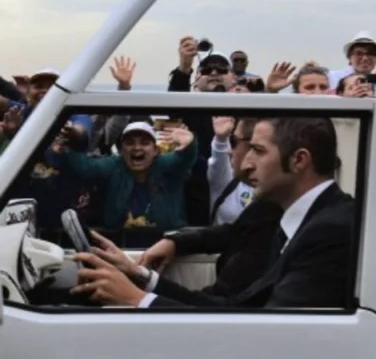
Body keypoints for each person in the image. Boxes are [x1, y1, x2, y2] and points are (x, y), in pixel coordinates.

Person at [72, 117, 354, 309]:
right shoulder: (298, 218)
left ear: (299, 160)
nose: (246, 163)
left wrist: (137, 299)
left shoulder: (329, 231)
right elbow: (236, 309)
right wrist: (140, 276)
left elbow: (268, 334)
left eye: (257, 150)